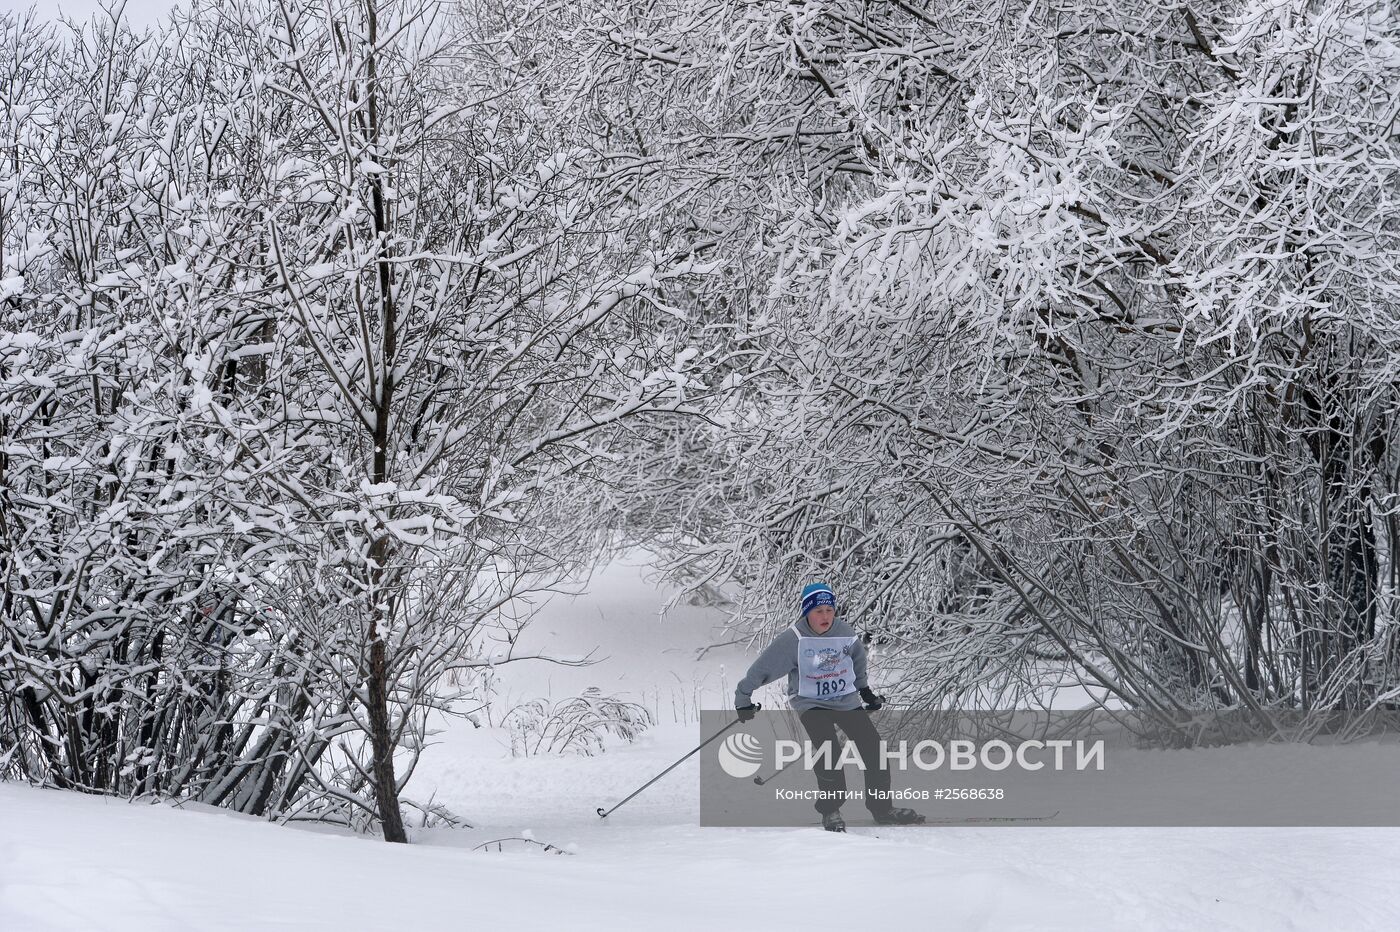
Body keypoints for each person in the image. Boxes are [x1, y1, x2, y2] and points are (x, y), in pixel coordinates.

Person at [735, 581, 924, 831]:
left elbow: (857, 662)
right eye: (818, 611)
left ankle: (882, 808)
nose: (825, 616)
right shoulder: (795, 639)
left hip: (846, 700)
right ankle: (830, 809)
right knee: (828, 751)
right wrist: (743, 698)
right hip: (811, 703)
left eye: (829, 610)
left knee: (874, 750)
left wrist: (865, 690)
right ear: (806, 612)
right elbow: (762, 668)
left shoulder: (844, 632)